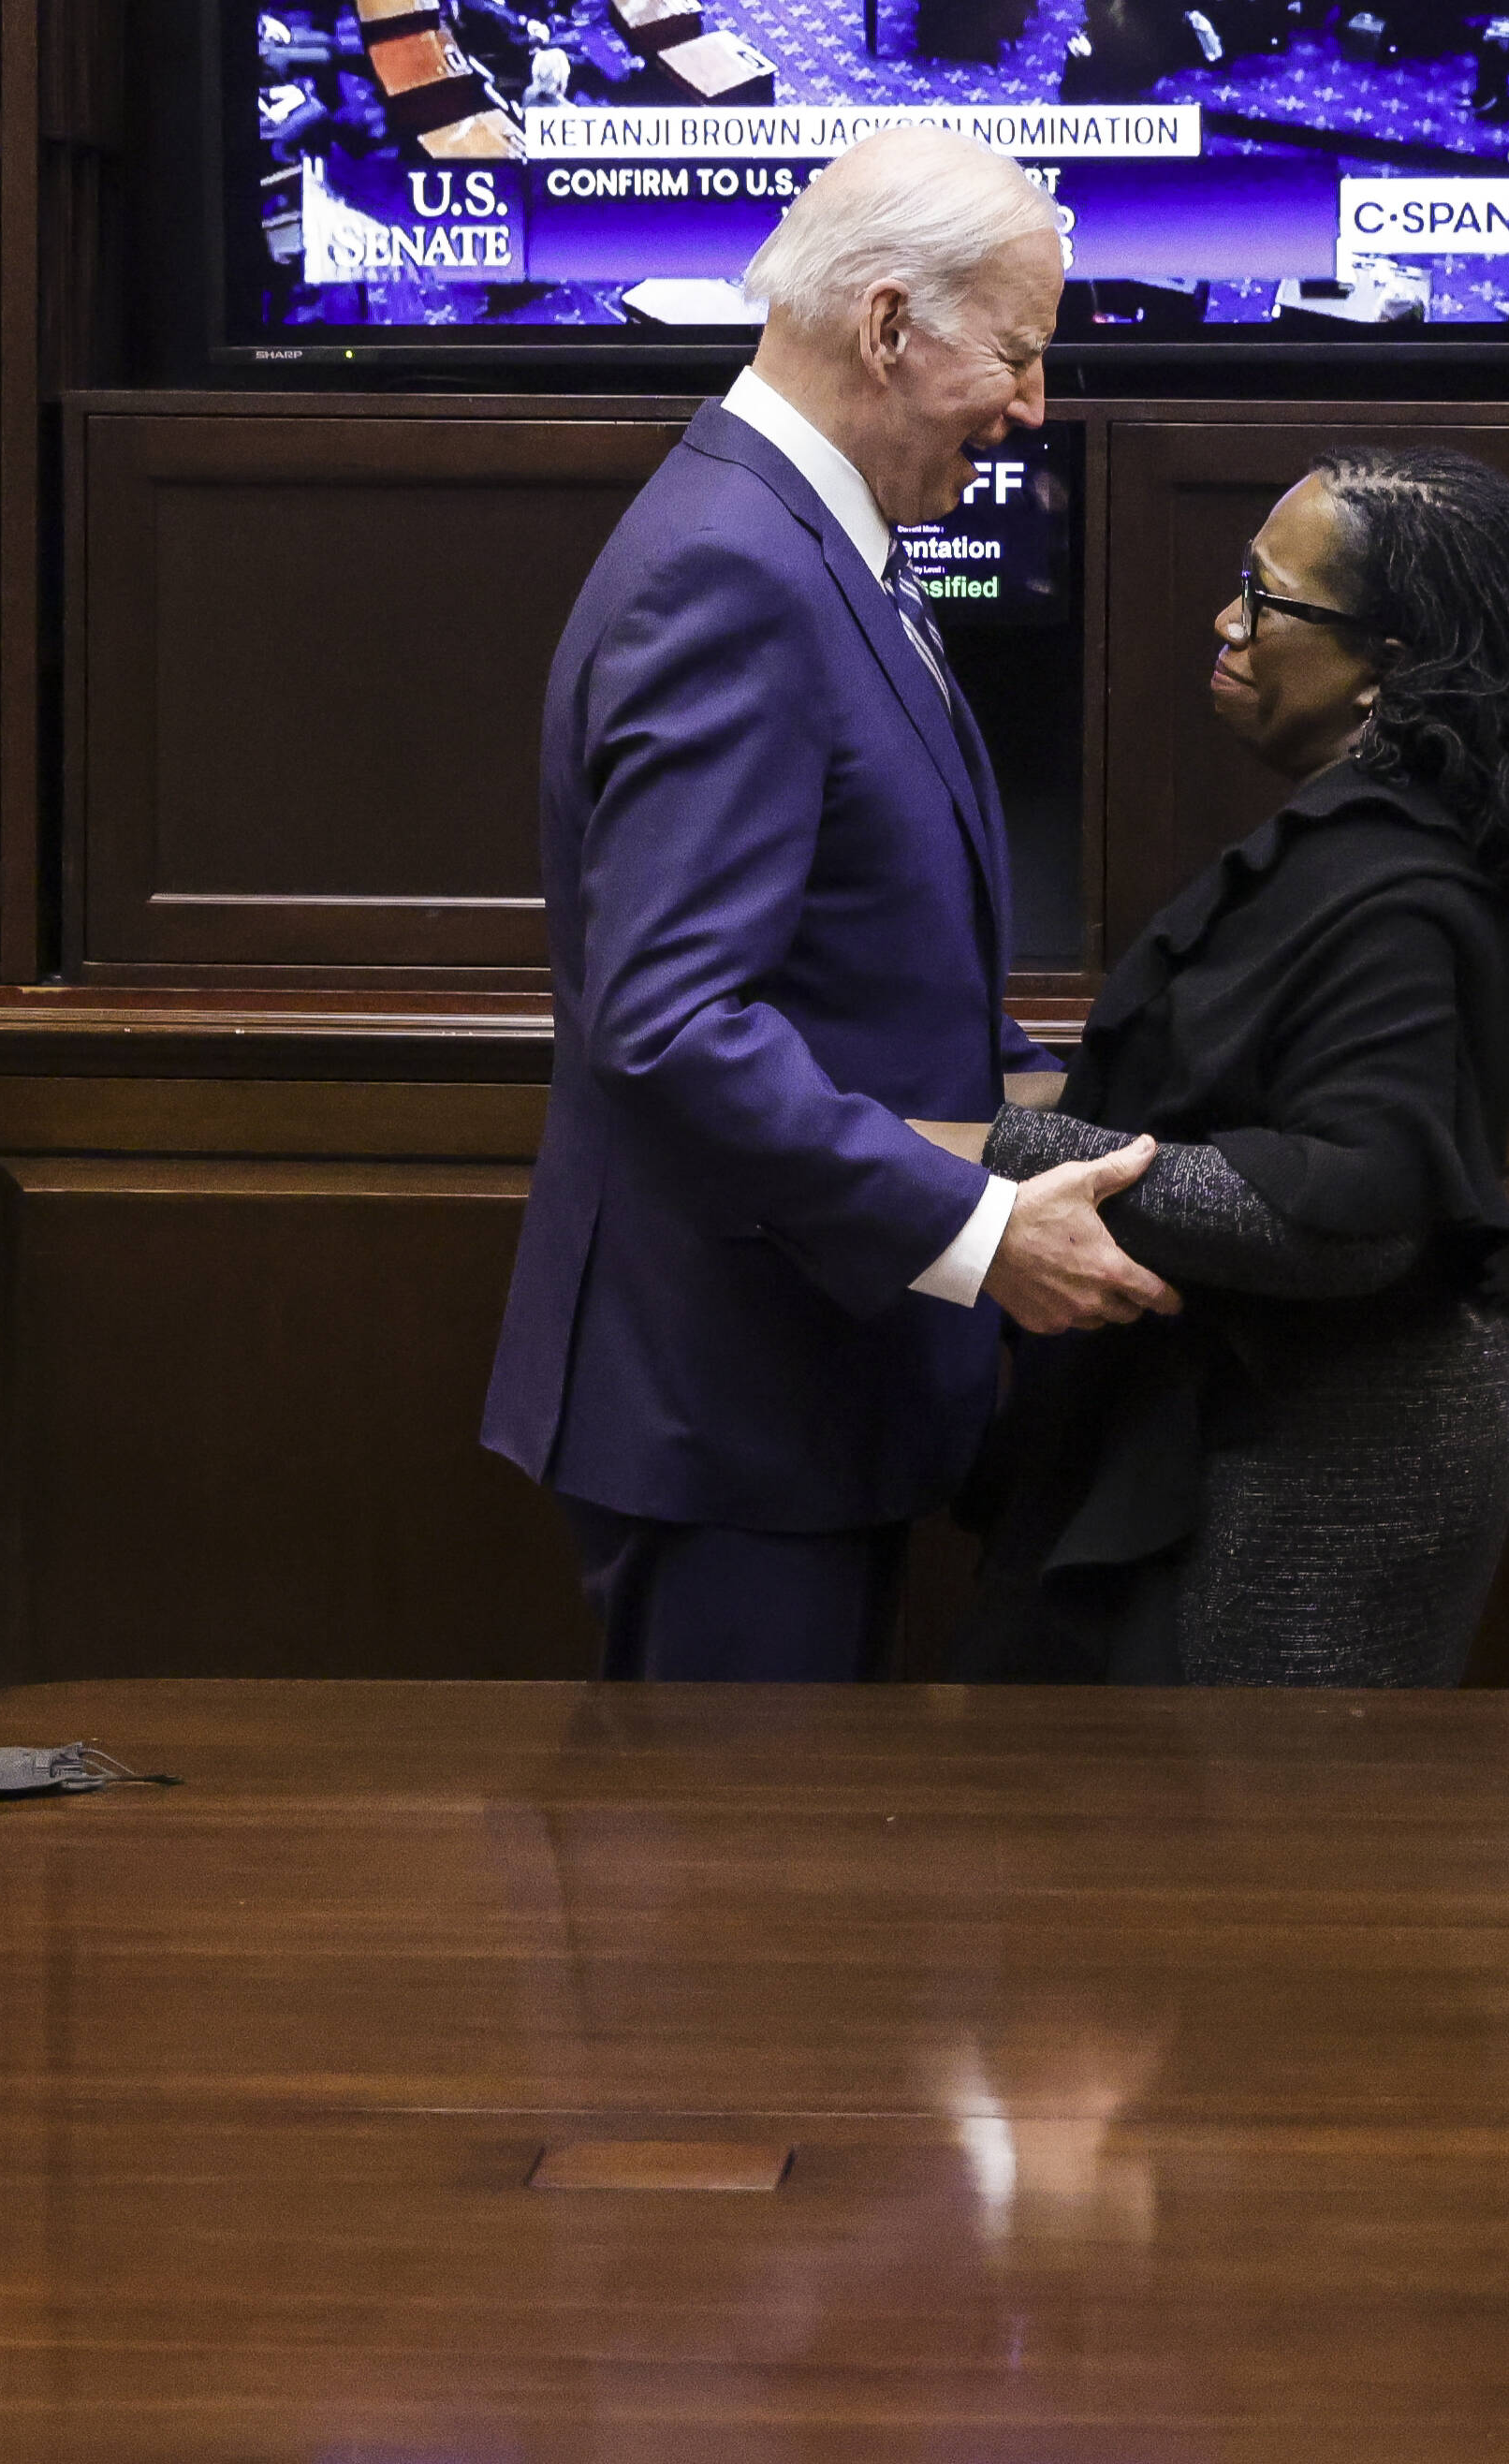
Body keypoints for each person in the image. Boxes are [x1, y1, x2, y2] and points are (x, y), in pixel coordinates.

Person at [480, 130, 1174, 1681]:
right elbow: (671, 1027)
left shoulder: (805, 538)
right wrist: (984, 1231)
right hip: (728, 1411)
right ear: (886, 326)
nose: (1036, 407)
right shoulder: (737, 572)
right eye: (1019, 351)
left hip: (792, 1394)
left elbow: (850, 956)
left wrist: (1074, 1110)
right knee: (728, 1908)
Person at [958, 453, 1509, 1689]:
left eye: (1265, 598)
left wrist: (985, 1154)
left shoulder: (1401, 887)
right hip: (1254, 1416)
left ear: (1384, 661)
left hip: (1328, 1461)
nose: (1229, 623)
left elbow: (1349, 1210)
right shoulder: (1353, 841)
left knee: (1258, 1863)